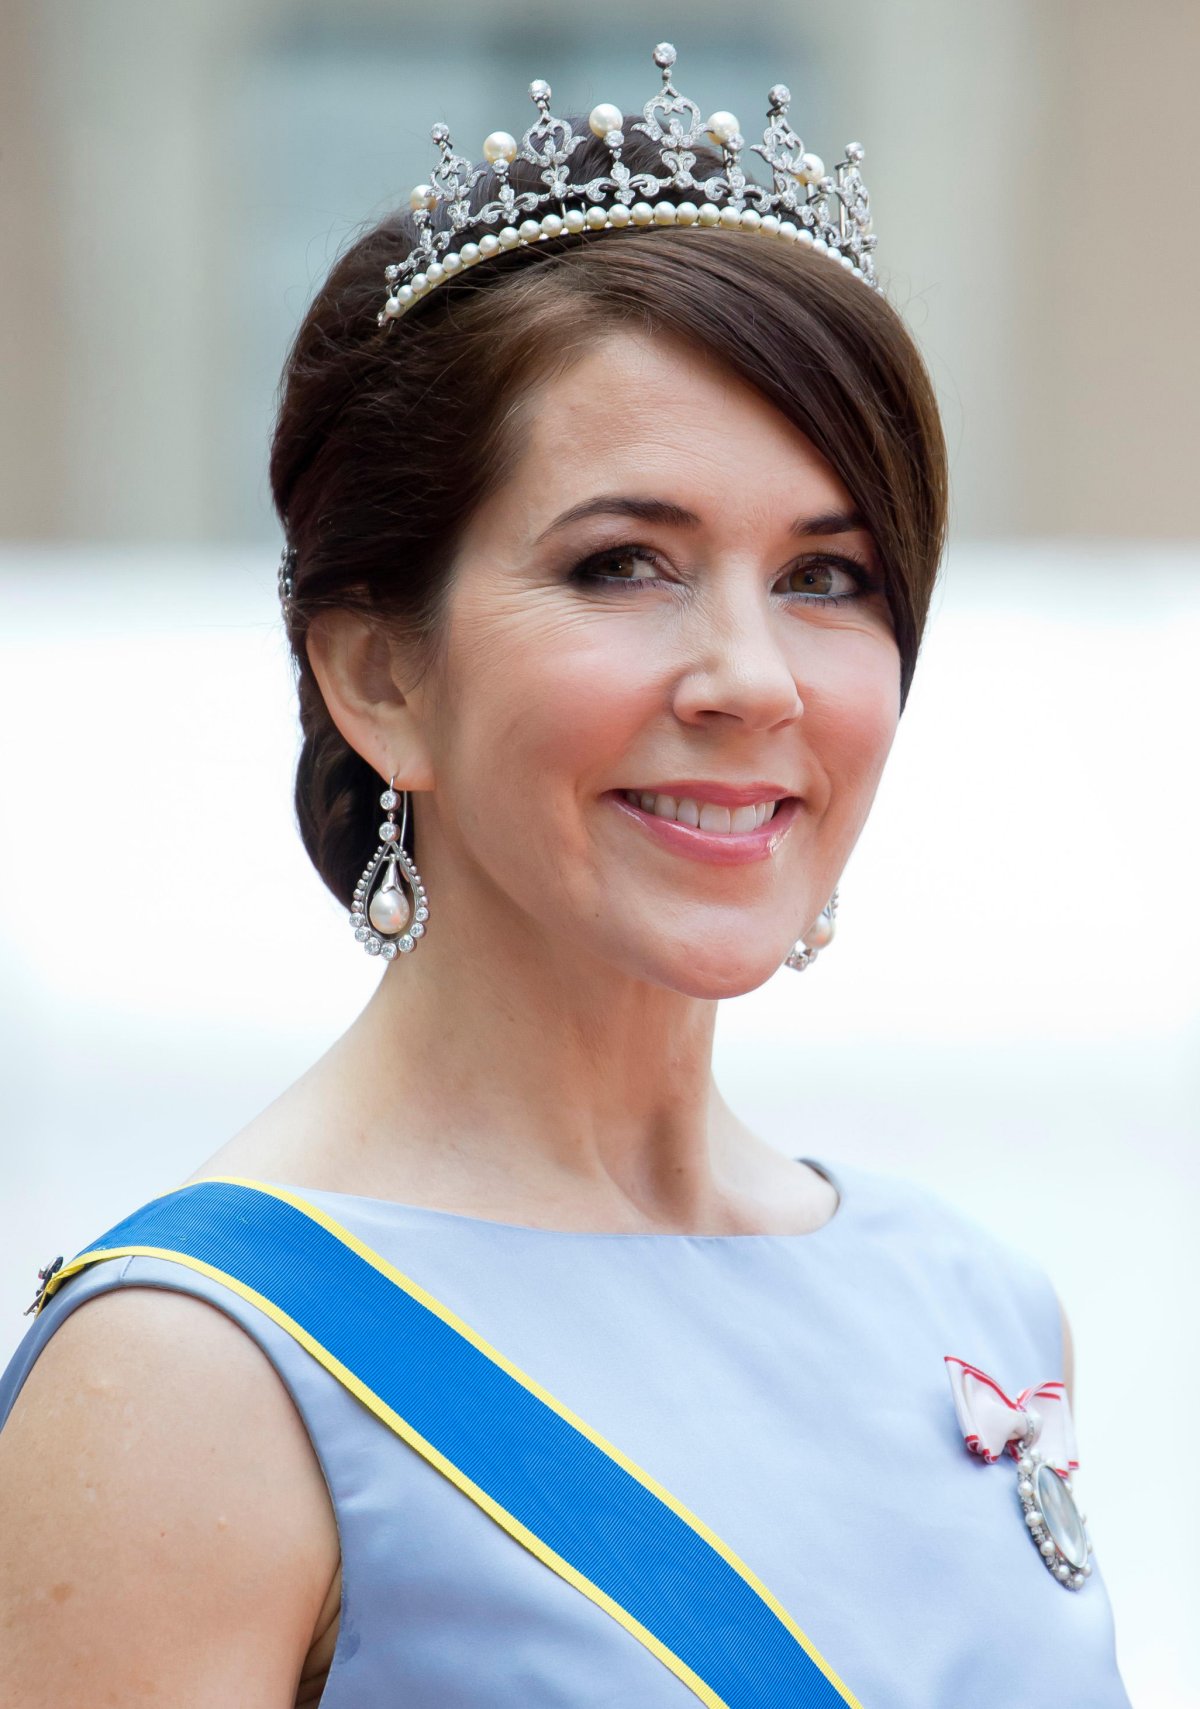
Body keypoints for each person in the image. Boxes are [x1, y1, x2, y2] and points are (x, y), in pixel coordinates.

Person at [0, 44, 1129, 1709]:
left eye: (829, 574)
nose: (751, 676)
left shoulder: (971, 1305)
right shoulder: (202, 1374)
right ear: (380, 676)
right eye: (624, 564)